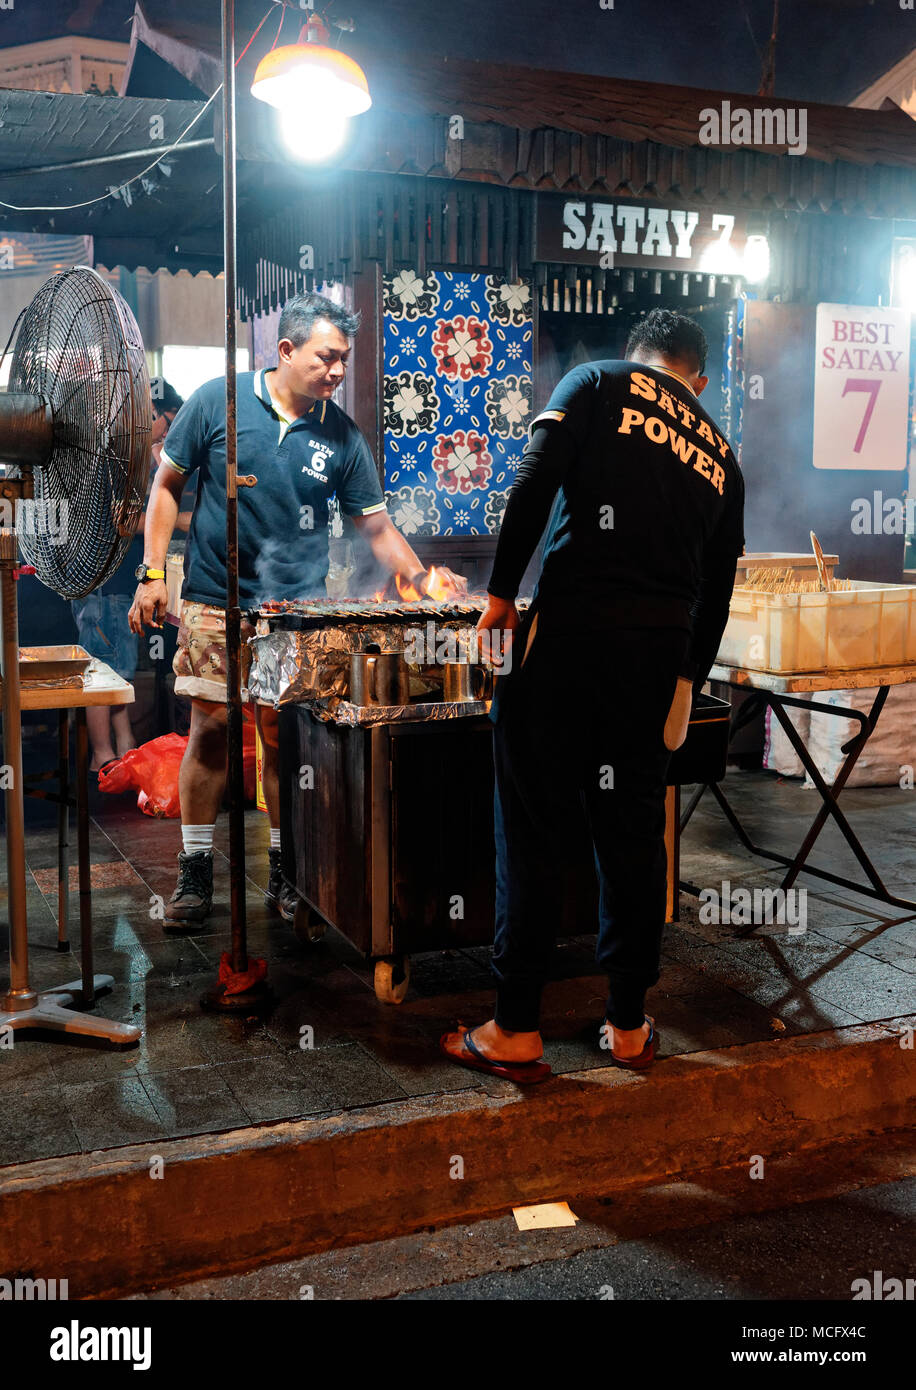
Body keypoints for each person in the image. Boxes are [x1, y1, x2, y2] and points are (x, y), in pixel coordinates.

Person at [441, 308, 745, 1083]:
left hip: (571, 637)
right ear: (697, 379)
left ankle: (515, 1029)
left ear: (638, 355)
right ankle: (631, 1024)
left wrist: (503, 594)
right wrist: (687, 679)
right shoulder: (719, 451)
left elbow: (535, 479)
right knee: (635, 840)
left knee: (534, 826)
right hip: (657, 660)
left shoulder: (598, 381)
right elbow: (716, 593)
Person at [128, 291, 465, 928]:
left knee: (284, 742)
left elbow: (376, 528)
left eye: (344, 359)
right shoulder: (217, 401)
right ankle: (196, 875)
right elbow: (166, 486)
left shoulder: (340, 434)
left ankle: (288, 872)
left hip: (294, 612)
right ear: (285, 351)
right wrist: (150, 574)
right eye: (327, 357)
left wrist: (422, 582)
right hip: (214, 599)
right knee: (210, 730)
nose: (337, 371)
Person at [71, 379, 185, 773]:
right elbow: (122, 521)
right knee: (102, 670)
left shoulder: (121, 453)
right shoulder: (115, 457)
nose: (168, 434)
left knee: (114, 668)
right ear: (150, 413)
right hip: (107, 584)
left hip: (107, 584)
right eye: (166, 424)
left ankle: (122, 747)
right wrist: (185, 520)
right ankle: (103, 755)